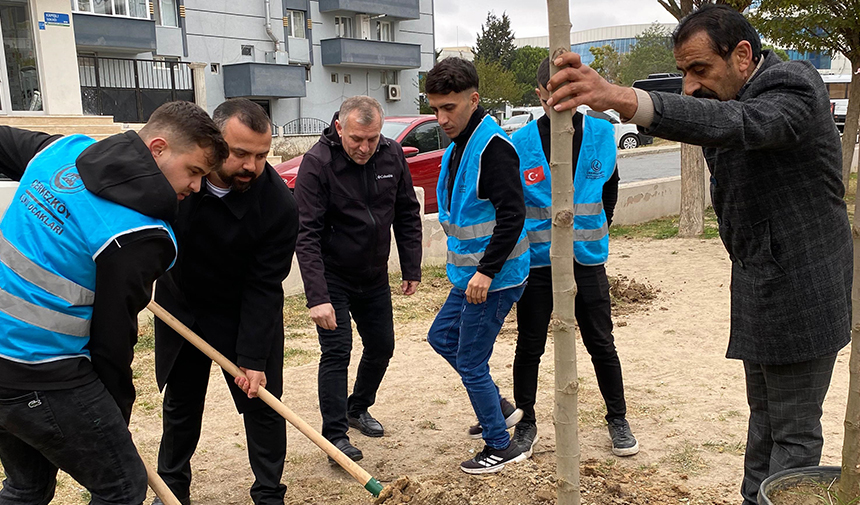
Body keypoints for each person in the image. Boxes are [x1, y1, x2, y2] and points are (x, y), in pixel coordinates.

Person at [546, 5, 851, 504]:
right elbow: (706, 116)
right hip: (759, 282)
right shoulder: (729, 89)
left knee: (793, 434)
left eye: (700, 70)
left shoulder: (793, 86)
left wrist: (621, 97)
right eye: (684, 72)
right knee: (764, 423)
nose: (689, 85)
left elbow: (741, 123)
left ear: (744, 55)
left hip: (804, 290)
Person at [0, 101, 227, 505]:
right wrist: (111, 420)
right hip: (41, 370)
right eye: (194, 172)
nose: (195, 188)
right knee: (121, 488)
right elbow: (112, 341)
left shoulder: (62, 151)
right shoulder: (139, 234)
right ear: (158, 148)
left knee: (27, 487)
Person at [153, 99, 298, 505]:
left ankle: (269, 494)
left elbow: (264, 285)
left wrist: (253, 356)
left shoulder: (277, 205)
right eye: (240, 153)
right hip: (180, 307)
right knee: (180, 405)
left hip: (243, 313)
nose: (251, 166)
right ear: (214, 141)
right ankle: (172, 490)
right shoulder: (174, 180)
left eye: (261, 155)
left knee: (263, 406)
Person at [508, 57, 638, 459]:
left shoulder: (601, 133)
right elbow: (511, 206)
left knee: (601, 341)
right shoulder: (521, 143)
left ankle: (617, 417)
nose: (562, 101)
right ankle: (526, 421)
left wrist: (598, 231)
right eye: (554, 92)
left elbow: (609, 190)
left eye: (571, 91)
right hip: (540, 265)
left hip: (587, 261)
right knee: (530, 345)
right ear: (540, 94)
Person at [294, 95, 422, 462]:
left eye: (372, 139)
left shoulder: (391, 154)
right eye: (356, 140)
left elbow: (407, 212)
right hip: (334, 276)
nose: (365, 148)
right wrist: (317, 296)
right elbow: (307, 235)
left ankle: (358, 406)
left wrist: (411, 265)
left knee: (382, 346)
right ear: (339, 128)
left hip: (374, 274)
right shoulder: (317, 164)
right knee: (337, 352)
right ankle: (335, 438)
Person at [424, 57, 530, 474]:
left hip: (495, 277)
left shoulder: (493, 147)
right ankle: (499, 408)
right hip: (473, 276)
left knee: (470, 361)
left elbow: (512, 215)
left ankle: (501, 444)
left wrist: (486, 272)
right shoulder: (461, 145)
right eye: (434, 108)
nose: (441, 117)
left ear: (474, 99)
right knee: (441, 337)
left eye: (449, 108)